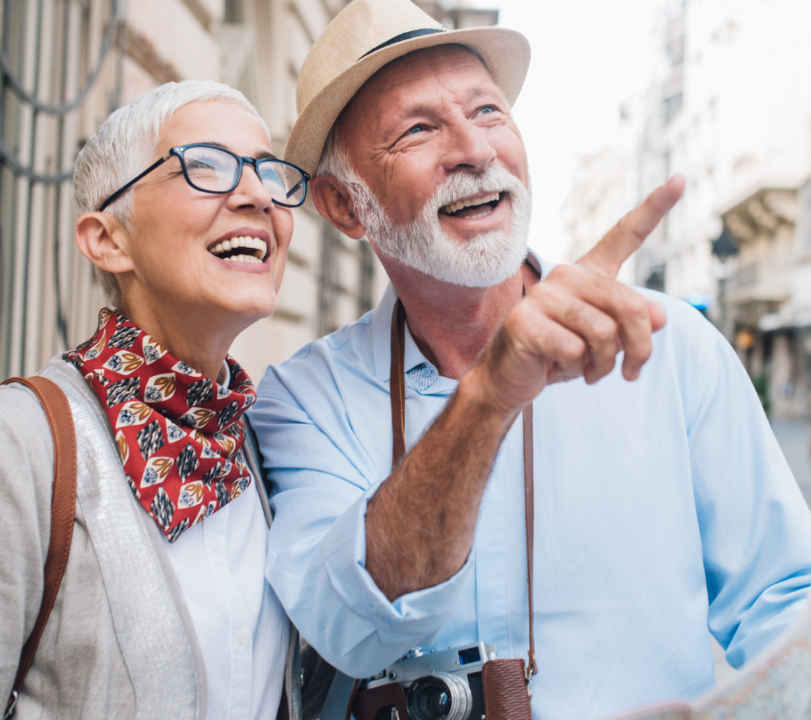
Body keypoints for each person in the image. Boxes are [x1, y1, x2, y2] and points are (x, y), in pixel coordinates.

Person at [246, 1, 811, 718]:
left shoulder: (669, 348)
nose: (475, 150)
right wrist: (490, 396)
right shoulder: (303, 397)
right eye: (418, 129)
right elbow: (345, 626)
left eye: (488, 112)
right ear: (343, 206)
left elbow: (786, 603)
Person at [0, 80, 310, 720]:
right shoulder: (3, 446)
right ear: (107, 239)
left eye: (269, 174)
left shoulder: (264, 449)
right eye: (208, 167)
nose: (257, 197)